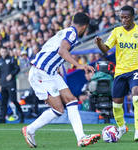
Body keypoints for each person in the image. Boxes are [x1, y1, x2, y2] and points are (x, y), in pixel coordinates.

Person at [21, 12, 100, 148]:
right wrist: (80, 65)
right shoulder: (72, 34)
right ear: (85, 26)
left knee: (72, 100)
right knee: (58, 109)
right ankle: (30, 129)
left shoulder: (67, 31)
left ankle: (81, 137)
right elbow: (62, 51)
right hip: (41, 72)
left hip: (50, 73)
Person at [94, 5, 138, 142]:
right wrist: (99, 43)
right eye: (121, 17)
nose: (123, 20)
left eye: (126, 17)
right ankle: (122, 128)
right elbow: (105, 49)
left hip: (136, 70)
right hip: (120, 72)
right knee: (116, 105)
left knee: (136, 97)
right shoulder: (116, 32)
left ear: (133, 17)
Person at [0, 47, 24, 123]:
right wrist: (0, 84)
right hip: (3, 84)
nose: (3, 53)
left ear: (7, 52)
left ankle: (21, 114)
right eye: (2, 52)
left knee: (13, 100)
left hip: (11, 83)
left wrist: (11, 75)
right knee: (4, 102)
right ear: (0, 51)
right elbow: (0, 74)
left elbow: (17, 68)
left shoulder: (12, 59)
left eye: (5, 52)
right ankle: (2, 119)